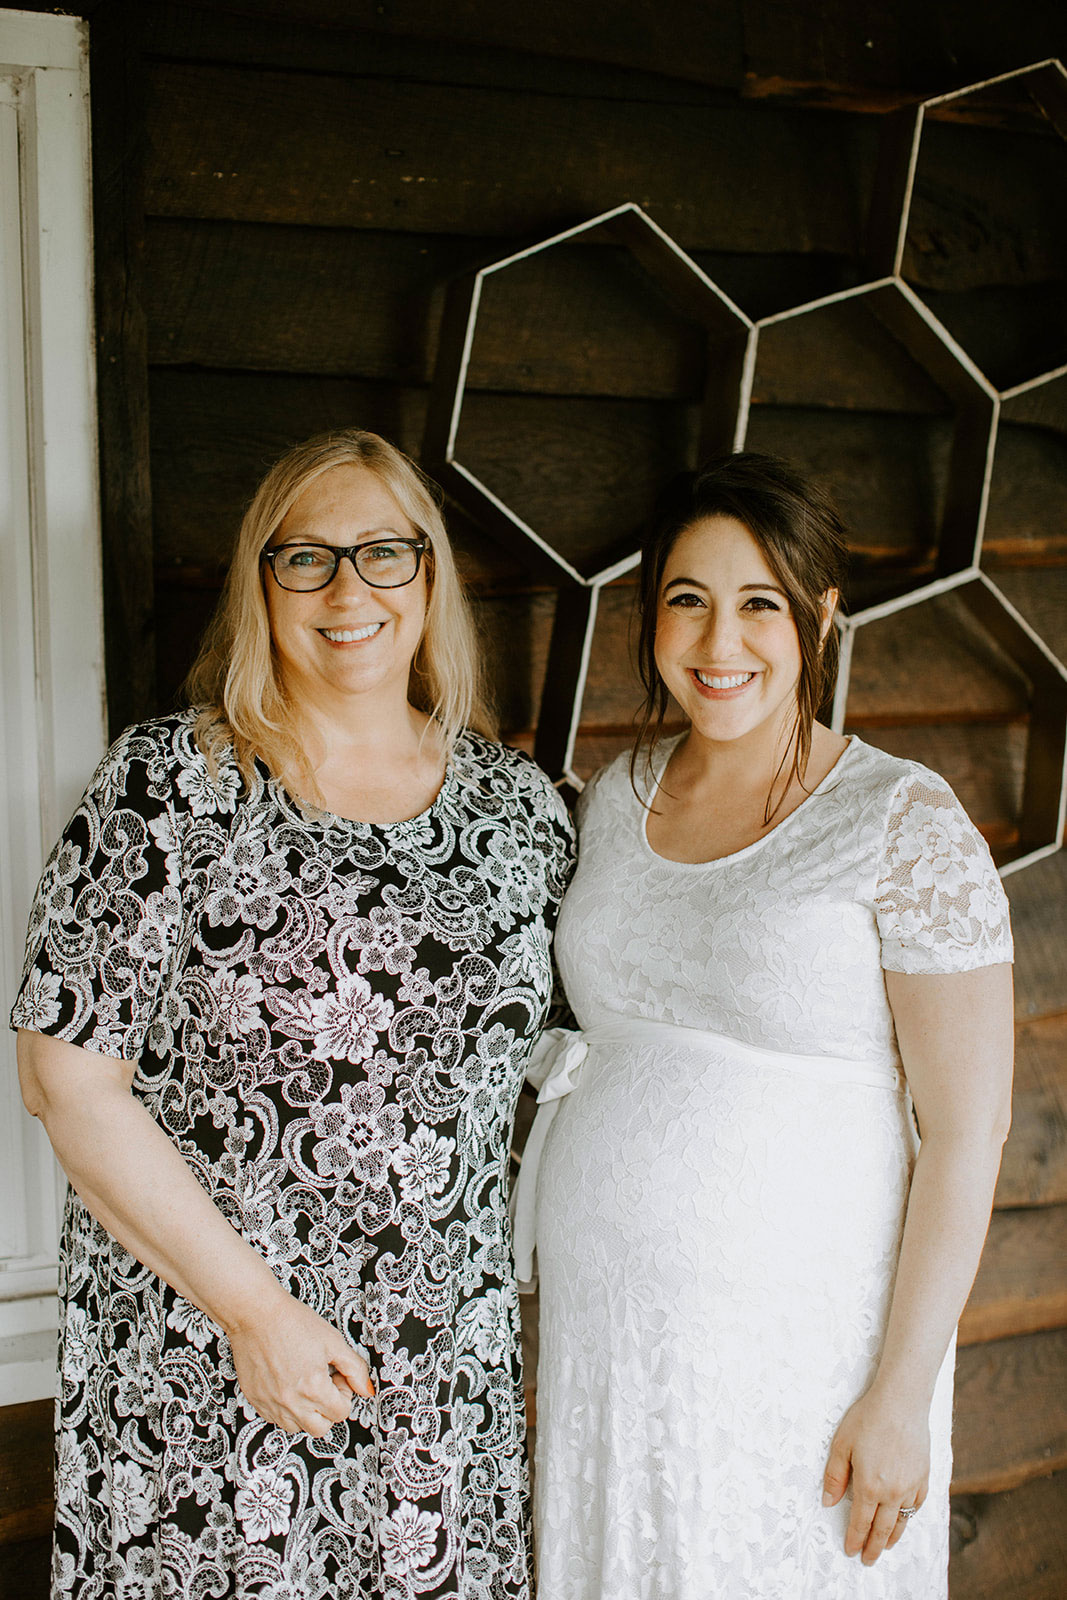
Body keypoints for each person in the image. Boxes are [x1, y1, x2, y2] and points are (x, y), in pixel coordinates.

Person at [13, 428, 574, 1600]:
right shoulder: (174, 783)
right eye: (304, 557)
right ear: (257, 584)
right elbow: (67, 1078)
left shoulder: (521, 811)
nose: (346, 589)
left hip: (436, 1380)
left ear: (428, 576)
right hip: (209, 1360)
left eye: (382, 553)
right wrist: (255, 1316)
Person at [513, 452, 1014, 1599]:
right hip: (611, 1346)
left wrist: (899, 1393)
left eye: (758, 604)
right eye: (686, 600)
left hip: (803, 1356)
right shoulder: (613, 796)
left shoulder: (899, 820)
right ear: (650, 618)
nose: (716, 641)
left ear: (818, 617)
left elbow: (966, 1130)